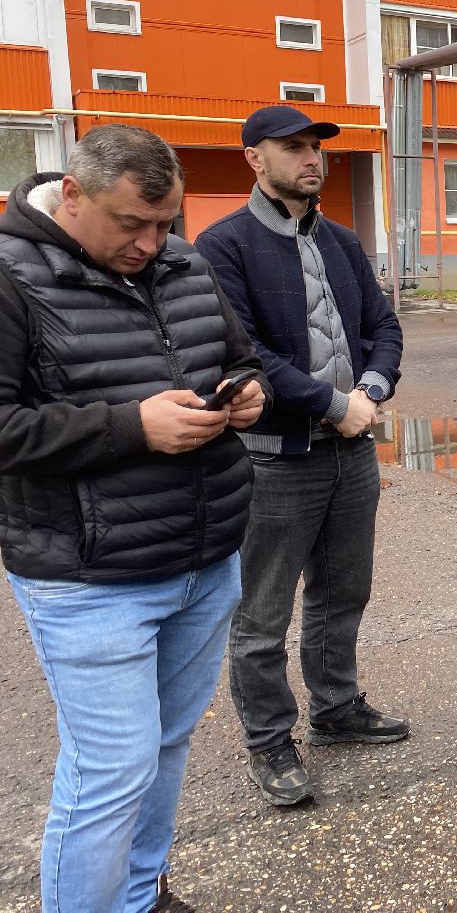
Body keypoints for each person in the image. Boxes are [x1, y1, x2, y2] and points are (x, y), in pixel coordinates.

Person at [0, 124, 269, 913]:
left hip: (205, 556)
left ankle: (139, 894)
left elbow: (237, 354)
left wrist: (248, 391)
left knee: (163, 749)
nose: (152, 244)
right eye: (132, 224)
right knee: (111, 769)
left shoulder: (184, 260)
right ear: (74, 195)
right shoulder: (10, 276)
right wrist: (130, 427)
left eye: (166, 222)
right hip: (91, 578)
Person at [194, 105, 406, 808]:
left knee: (344, 592)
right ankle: (268, 739)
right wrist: (333, 404)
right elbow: (246, 354)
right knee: (261, 614)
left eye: (316, 148)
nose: (311, 159)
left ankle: (336, 707)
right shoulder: (223, 246)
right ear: (255, 158)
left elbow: (383, 327)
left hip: (350, 452)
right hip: (275, 458)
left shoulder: (342, 242)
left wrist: (370, 390)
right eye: (294, 148)